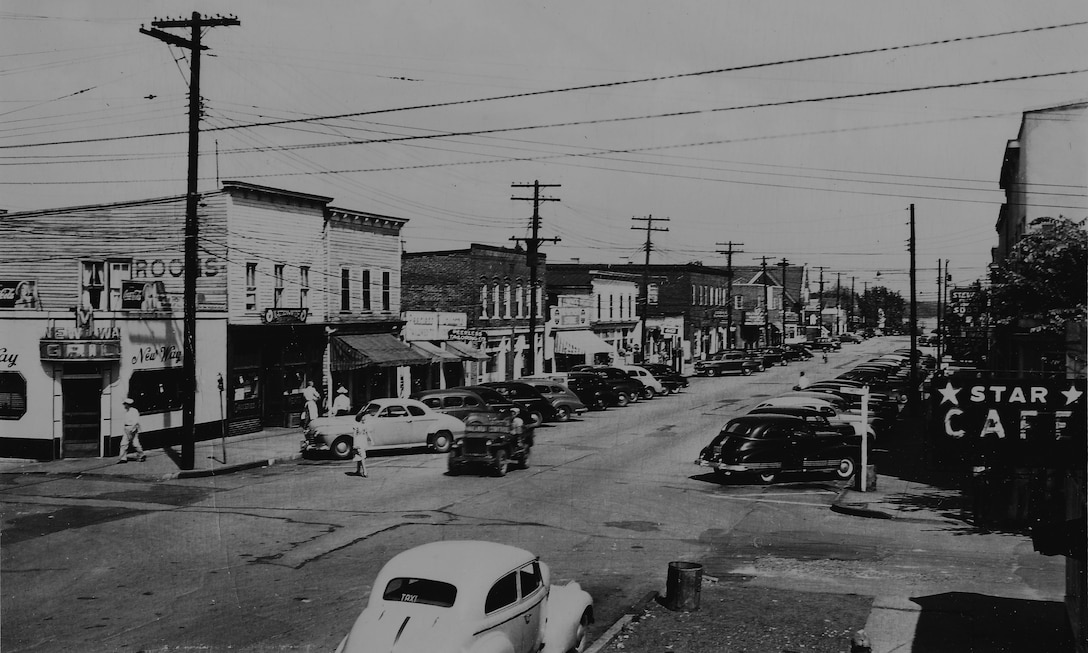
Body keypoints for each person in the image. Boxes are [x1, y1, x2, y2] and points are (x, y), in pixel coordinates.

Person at [117, 398, 146, 463]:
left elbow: (136, 421)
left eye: (125, 404)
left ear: (128, 404)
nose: (124, 405)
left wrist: (133, 429)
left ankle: (141, 454)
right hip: (126, 428)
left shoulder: (134, 411)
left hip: (132, 428)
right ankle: (123, 458)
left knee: (135, 443)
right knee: (124, 444)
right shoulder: (126, 411)